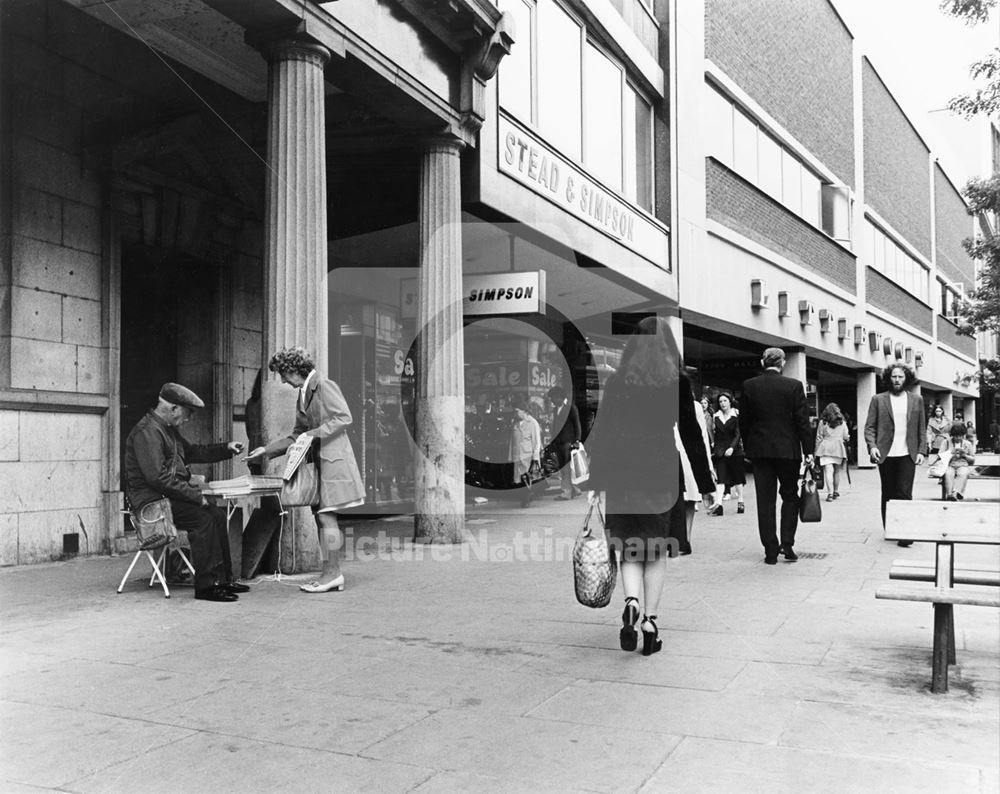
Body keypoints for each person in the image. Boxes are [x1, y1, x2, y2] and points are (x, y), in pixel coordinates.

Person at [586, 317, 715, 656]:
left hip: (623, 473)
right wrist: (706, 484)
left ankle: (630, 602)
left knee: (630, 546)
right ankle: (650, 623)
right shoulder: (677, 382)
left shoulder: (617, 381)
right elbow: (692, 435)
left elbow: (603, 432)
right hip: (661, 470)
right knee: (656, 550)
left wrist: (595, 480)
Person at [246, 347, 365, 593]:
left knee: (325, 516)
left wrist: (312, 435)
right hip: (319, 465)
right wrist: (266, 450)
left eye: (282, 375)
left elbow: (343, 418)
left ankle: (332, 574)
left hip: (332, 463)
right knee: (322, 518)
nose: (282, 381)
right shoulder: (303, 392)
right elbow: (297, 434)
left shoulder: (323, 385)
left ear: (293, 369)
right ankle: (330, 573)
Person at [124, 383, 247, 602]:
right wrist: (196, 497)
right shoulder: (148, 432)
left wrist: (225, 448)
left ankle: (223, 579)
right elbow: (158, 478)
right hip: (151, 504)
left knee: (216, 515)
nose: (188, 419)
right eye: (187, 413)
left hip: (165, 499)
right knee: (203, 519)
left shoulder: (166, 430)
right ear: (173, 409)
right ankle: (206, 587)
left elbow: (192, 452)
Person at [738, 347, 814, 564]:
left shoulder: (749, 386)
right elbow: (802, 422)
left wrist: (750, 446)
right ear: (782, 364)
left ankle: (770, 550)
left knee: (765, 500)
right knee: (790, 496)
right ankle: (787, 544)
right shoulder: (794, 386)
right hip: (788, 451)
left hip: (760, 451)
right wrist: (808, 451)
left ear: (763, 363)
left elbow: (744, 422)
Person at [863, 363, 926, 546]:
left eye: (900, 377)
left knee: (905, 492)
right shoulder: (878, 399)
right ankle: (890, 527)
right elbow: (869, 427)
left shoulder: (917, 399)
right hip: (886, 454)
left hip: (908, 453)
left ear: (906, 378)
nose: (897, 380)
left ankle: (904, 532)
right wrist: (872, 446)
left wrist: (922, 450)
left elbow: (921, 427)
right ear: (888, 379)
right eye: (894, 377)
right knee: (889, 493)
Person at [671, 389, 717, 555]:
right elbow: (701, 438)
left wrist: (709, 467)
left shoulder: (695, 407)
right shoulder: (691, 406)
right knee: (687, 498)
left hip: (683, 454)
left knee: (688, 497)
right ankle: (683, 539)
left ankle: (683, 539)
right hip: (684, 454)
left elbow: (703, 436)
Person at [711, 392, 746, 515]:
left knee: (737, 478)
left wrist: (732, 447)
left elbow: (738, 433)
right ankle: (719, 505)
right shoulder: (716, 416)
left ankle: (740, 501)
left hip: (735, 451)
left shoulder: (736, 414)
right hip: (721, 452)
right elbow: (715, 435)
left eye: (725, 401)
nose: (722, 404)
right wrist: (715, 449)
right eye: (720, 402)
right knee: (721, 479)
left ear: (730, 401)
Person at [546, 386, 582, 500]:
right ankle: (575, 490)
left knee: (567, 468)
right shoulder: (555, 410)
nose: (552, 401)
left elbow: (577, 425)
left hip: (568, 442)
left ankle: (566, 492)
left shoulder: (571, 408)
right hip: (559, 443)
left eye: (553, 398)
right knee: (565, 468)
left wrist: (577, 440)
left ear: (559, 397)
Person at [509, 394, 542, 508]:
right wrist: (510, 456)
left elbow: (537, 442)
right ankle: (526, 496)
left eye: (517, 411)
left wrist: (535, 457)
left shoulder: (533, 423)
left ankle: (526, 498)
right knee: (519, 478)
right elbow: (512, 441)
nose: (516, 413)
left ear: (523, 410)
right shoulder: (515, 423)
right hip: (517, 455)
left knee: (527, 478)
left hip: (527, 455)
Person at [815, 402, 849, 502]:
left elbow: (819, 437)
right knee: (837, 471)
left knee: (828, 471)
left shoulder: (823, 422)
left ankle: (829, 493)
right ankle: (836, 491)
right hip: (838, 448)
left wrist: (815, 451)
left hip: (825, 447)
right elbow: (846, 436)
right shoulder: (842, 423)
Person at [940, 420, 977, 500]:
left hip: (963, 465)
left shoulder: (968, 444)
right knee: (948, 473)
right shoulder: (946, 442)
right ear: (952, 435)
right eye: (956, 436)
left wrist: (965, 455)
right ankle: (950, 494)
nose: (958, 438)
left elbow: (973, 460)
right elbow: (940, 456)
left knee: (963, 473)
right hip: (950, 465)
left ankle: (956, 493)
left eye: (961, 436)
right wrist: (950, 453)